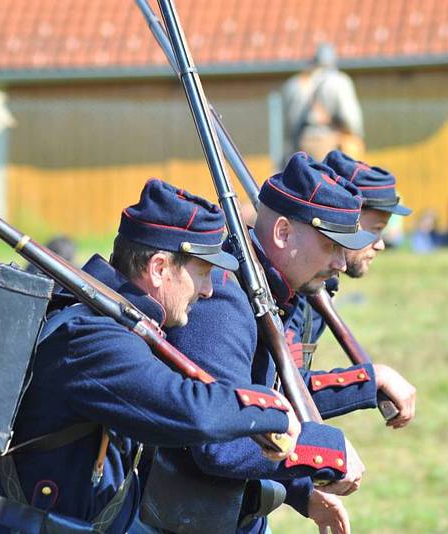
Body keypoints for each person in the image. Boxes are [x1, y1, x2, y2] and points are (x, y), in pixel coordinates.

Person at [0, 178, 349, 534]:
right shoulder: (93, 338)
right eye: (202, 272)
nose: (209, 291)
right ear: (160, 268)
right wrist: (287, 421)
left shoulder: (123, 326)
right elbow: (188, 409)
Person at [137, 154, 409, 534]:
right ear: (282, 232)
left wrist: (301, 489)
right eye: (331, 245)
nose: (341, 264)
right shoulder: (226, 301)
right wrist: (320, 453)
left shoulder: (272, 291)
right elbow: (220, 440)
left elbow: (273, 397)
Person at [281, 43, 365, 164]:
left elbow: (289, 123)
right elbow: (350, 119)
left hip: (300, 145)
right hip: (329, 142)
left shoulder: (295, 84)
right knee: (328, 180)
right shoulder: (339, 81)